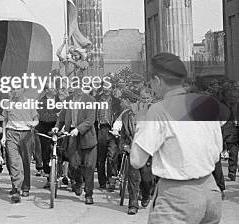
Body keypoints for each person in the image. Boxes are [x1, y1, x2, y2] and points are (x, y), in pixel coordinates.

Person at [131, 53, 225, 224]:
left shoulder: (158, 110)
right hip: (210, 191)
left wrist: (142, 120)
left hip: (177, 198)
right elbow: (217, 153)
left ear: (158, 81)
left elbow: (137, 160)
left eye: (151, 82)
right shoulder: (207, 104)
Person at [53, 85, 97, 205]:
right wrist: (57, 127)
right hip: (71, 136)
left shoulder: (90, 101)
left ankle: (89, 194)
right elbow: (61, 118)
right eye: (72, 88)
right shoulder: (68, 100)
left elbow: (90, 120)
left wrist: (78, 129)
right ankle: (78, 181)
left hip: (87, 137)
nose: (75, 91)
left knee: (89, 167)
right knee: (73, 164)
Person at [118, 96, 153, 215]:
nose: (145, 100)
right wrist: (124, 146)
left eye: (147, 98)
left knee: (147, 179)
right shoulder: (128, 116)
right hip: (133, 150)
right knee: (133, 178)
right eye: (142, 98)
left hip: (148, 150)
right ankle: (133, 205)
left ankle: (146, 195)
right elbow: (123, 134)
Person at [95, 86, 121, 191]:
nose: (107, 89)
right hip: (100, 129)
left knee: (112, 156)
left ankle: (111, 181)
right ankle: (102, 181)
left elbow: (120, 115)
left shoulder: (116, 101)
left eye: (109, 87)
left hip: (112, 130)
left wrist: (118, 129)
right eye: (105, 87)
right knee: (101, 158)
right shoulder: (96, 100)